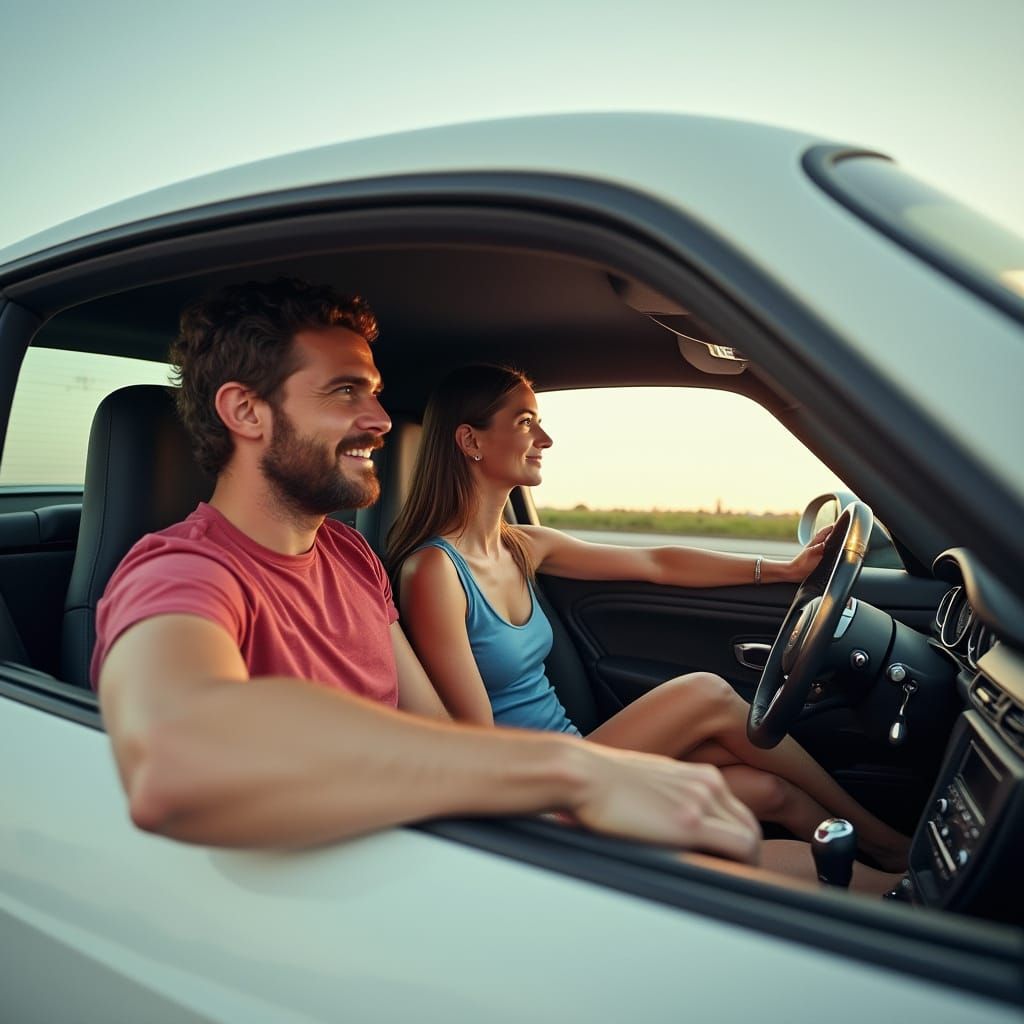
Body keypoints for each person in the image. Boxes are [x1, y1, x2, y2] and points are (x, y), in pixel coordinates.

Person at [94, 277, 761, 864]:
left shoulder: (351, 557)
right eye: (345, 392)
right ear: (245, 411)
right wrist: (573, 770)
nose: (382, 420)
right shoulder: (182, 572)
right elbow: (172, 761)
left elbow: (444, 739)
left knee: (787, 863)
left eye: (378, 393)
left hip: (450, 836)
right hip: (376, 877)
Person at [386, 364, 910, 872]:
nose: (545, 439)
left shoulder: (523, 546)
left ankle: (888, 871)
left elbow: (655, 563)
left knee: (766, 789)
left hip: (575, 753)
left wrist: (784, 569)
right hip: (537, 791)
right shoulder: (434, 571)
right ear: (470, 441)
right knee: (705, 691)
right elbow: (478, 743)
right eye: (526, 422)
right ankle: (885, 847)